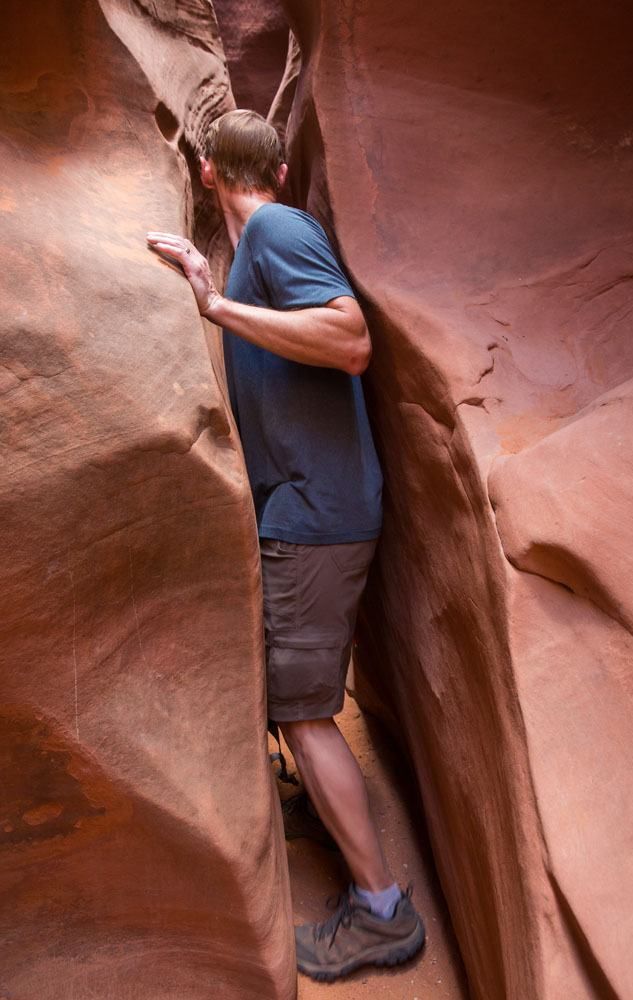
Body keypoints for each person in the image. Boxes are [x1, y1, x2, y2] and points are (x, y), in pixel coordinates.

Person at [146, 109, 424, 982]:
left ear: (204, 174)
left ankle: (382, 912)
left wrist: (216, 303)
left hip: (319, 517)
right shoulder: (255, 243)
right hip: (303, 511)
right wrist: (212, 278)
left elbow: (349, 342)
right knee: (287, 693)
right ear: (276, 160)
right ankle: (320, 811)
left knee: (306, 713)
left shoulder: (272, 227)